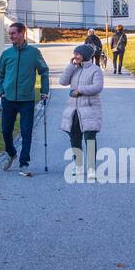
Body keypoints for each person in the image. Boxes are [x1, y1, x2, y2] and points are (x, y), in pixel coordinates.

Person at [0, 21, 49, 177]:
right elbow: (0, 73)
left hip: (27, 99)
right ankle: (11, 153)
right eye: (9, 33)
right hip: (8, 98)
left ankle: (24, 163)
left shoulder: (34, 53)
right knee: (6, 130)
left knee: (26, 132)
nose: (10, 36)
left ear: (22, 34)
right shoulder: (7, 54)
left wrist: (44, 90)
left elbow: (44, 71)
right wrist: (1, 91)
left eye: (13, 33)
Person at [60, 43, 105, 181]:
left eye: (77, 54)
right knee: (74, 137)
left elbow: (98, 87)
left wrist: (80, 90)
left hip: (90, 109)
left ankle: (91, 168)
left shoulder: (95, 70)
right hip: (74, 109)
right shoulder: (74, 68)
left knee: (90, 138)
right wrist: (71, 66)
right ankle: (78, 165)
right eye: (74, 54)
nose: (75, 56)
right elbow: (62, 81)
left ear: (85, 55)